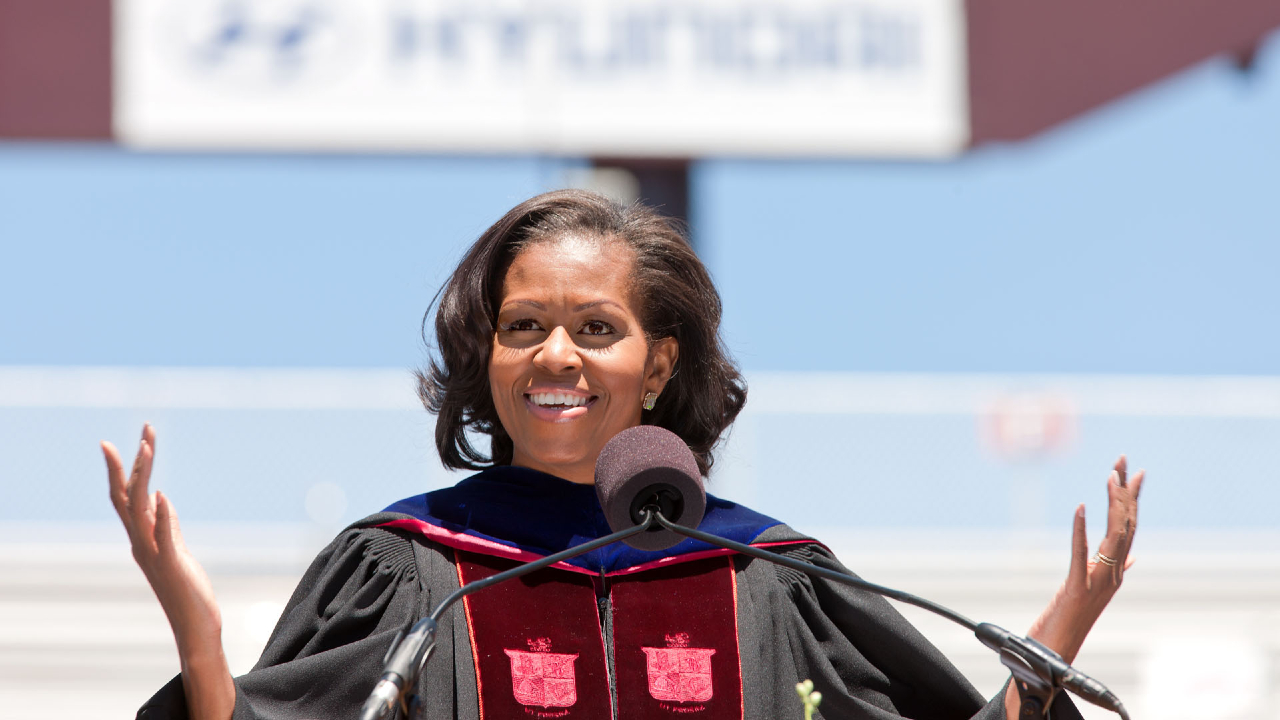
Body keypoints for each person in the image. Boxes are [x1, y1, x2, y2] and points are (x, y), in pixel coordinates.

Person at [104, 190, 1143, 720]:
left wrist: (1053, 637)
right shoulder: (410, 570)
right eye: (521, 327)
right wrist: (199, 641)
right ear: (487, 355)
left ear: (657, 367)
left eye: (594, 329)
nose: (554, 354)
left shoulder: (763, 577)